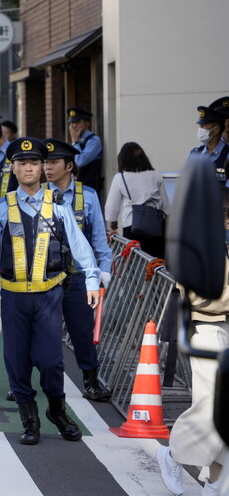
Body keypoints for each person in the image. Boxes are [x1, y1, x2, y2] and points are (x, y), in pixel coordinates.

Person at [0, 137, 100, 446]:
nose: (29, 167)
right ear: (13, 168)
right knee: (16, 361)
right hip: (14, 296)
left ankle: (57, 411)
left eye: (34, 163)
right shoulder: (2, 208)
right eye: (22, 163)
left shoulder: (58, 207)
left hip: (49, 295)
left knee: (50, 361)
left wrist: (92, 280)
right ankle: (28, 419)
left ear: (42, 168)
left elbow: (79, 245)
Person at [156, 187, 229, 496]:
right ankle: (173, 454)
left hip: (220, 331)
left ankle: (215, 483)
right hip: (206, 330)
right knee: (210, 409)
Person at [44, 138, 113, 401]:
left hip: (78, 278)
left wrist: (103, 270)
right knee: (40, 332)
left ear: (69, 165)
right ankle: (25, 383)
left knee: (82, 331)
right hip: (46, 277)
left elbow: (99, 240)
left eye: (54, 162)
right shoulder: (39, 195)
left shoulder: (89, 196)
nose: (47, 168)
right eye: (45, 163)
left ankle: (91, 380)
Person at [105, 142, 170, 259]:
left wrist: (113, 222)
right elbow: (166, 205)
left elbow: (112, 207)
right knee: (156, 263)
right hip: (156, 226)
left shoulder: (120, 178)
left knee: (135, 264)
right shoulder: (156, 175)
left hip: (132, 226)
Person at [188, 105, 228, 186]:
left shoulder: (227, 155)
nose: (201, 129)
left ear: (216, 130)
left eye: (204, 125)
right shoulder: (194, 154)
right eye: (200, 126)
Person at [67, 108, 103, 193]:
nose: (74, 126)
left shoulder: (94, 140)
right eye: (72, 123)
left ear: (86, 124)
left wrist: (75, 142)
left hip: (89, 187)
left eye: (77, 122)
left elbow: (80, 162)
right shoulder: (75, 141)